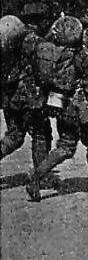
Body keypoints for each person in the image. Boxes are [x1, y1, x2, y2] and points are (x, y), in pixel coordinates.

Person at [27, 16, 88, 201]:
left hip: (64, 106)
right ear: (85, 33)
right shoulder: (86, 58)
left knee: (65, 146)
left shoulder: (63, 55)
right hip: (84, 110)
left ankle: (36, 176)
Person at [0, 12, 52, 173]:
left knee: (15, 136)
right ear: (39, 21)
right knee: (40, 133)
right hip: (30, 97)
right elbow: (44, 72)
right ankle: (41, 174)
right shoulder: (35, 42)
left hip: (9, 96)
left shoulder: (8, 38)